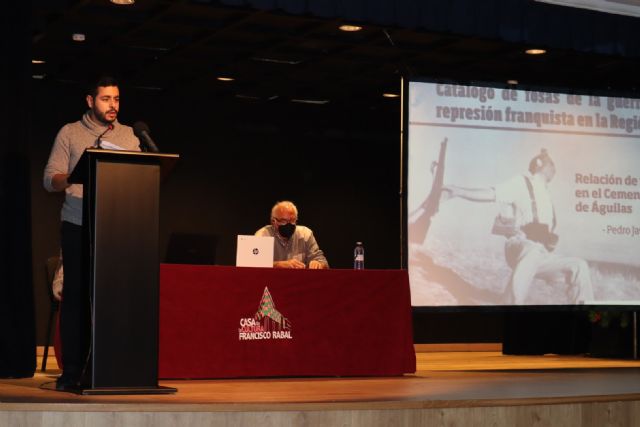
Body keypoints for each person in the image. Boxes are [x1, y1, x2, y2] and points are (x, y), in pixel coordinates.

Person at [43, 75, 141, 390]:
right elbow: (50, 180)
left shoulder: (129, 136)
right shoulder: (70, 133)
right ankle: (71, 371)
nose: (112, 105)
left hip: (116, 228)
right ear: (90, 101)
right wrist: (72, 175)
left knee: (113, 299)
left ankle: (111, 368)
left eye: (116, 99)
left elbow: (140, 176)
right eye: (105, 99)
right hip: (77, 225)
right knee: (76, 299)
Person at [442, 149, 594, 305]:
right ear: (539, 164)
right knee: (532, 251)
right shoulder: (521, 182)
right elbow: (490, 194)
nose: (555, 168)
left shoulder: (547, 195)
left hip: (541, 253)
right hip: (519, 246)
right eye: (552, 164)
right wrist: (459, 191)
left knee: (579, 266)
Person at [255, 201, 329, 269]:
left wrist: (318, 264)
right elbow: (253, 264)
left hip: (299, 281)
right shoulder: (262, 235)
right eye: (284, 221)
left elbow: (323, 263)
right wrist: (277, 265)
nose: (289, 224)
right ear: (274, 222)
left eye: (292, 220)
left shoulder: (305, 234)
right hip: (271, 281)